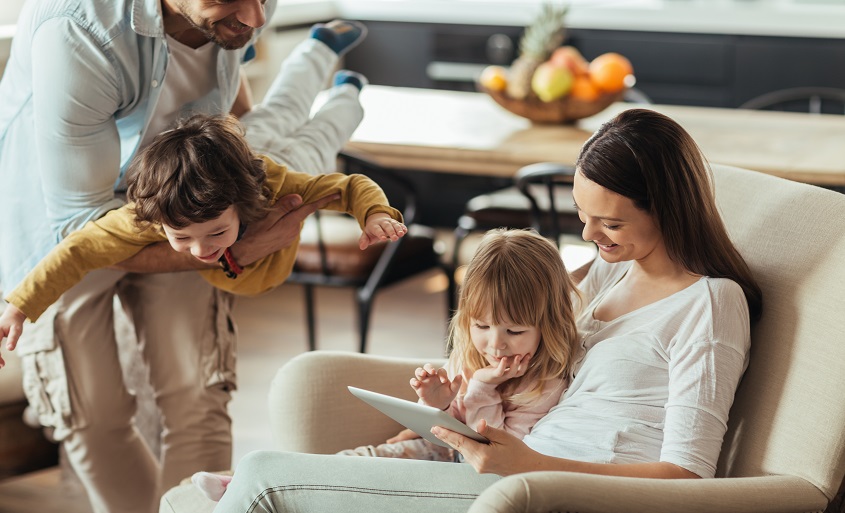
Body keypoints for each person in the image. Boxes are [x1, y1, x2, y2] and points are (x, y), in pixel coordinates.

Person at [202, 108, 763, 512]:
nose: (590, 235)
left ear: (666, 209)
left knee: (263, 479)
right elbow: (500, 319)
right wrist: (447, 413)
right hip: (501, 469)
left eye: (610, 223)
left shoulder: (711, 304)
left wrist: (529, 466)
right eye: (582, 214)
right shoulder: (610, 268)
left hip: (550, 491)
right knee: (261, 476)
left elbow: (688, 475)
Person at [0, 0, 369, 509]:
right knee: (91, 413)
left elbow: (229, 93)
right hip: (64, 226)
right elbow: (81, 227)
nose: (257, 17)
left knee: (197, 396)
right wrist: (237, 251)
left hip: (190, 203)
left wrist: (243, 163)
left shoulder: (234, 16)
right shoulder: (76, 28)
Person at [191, 228, 580, 501]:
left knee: (370, 467)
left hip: (462, 472)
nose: (495, 343)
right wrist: (439, 403)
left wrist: (482, 385)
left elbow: (489, 448)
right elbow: (455, 420)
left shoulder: (544, 383)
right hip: (440, 451)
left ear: (549, 323)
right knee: (363, 457)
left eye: (514, 330)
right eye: (481, 326)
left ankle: (256, 482)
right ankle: (244, 480)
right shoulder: (479, 353)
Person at [0, 113, 406, 350]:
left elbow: (351, 185)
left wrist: (373, 215)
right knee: (272, 117)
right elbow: (77, 250)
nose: (200, 250)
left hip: (282, 166)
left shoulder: (278, 187)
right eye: (182, 238)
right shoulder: (145, 215)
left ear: (241, 205)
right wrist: (20, 307)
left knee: (314, 128)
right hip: (244, 161)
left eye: (216, 233)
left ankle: (345, 89)